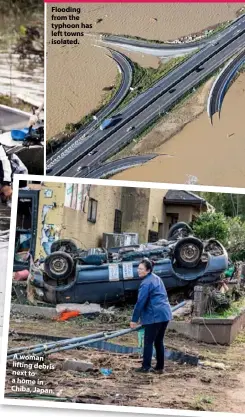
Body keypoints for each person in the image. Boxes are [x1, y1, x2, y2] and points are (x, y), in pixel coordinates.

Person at [130, 258, 172, 373]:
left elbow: (140, 302)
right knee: (159, 341)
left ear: (148, 270)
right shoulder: (157, 278)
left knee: (148, 341)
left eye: (141, 269)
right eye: (138, 268)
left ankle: (146, 366)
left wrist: (134, 319)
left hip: (155, 316)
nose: (138, 271)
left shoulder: (146, 283)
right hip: (165, 314)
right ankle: (159, 367)